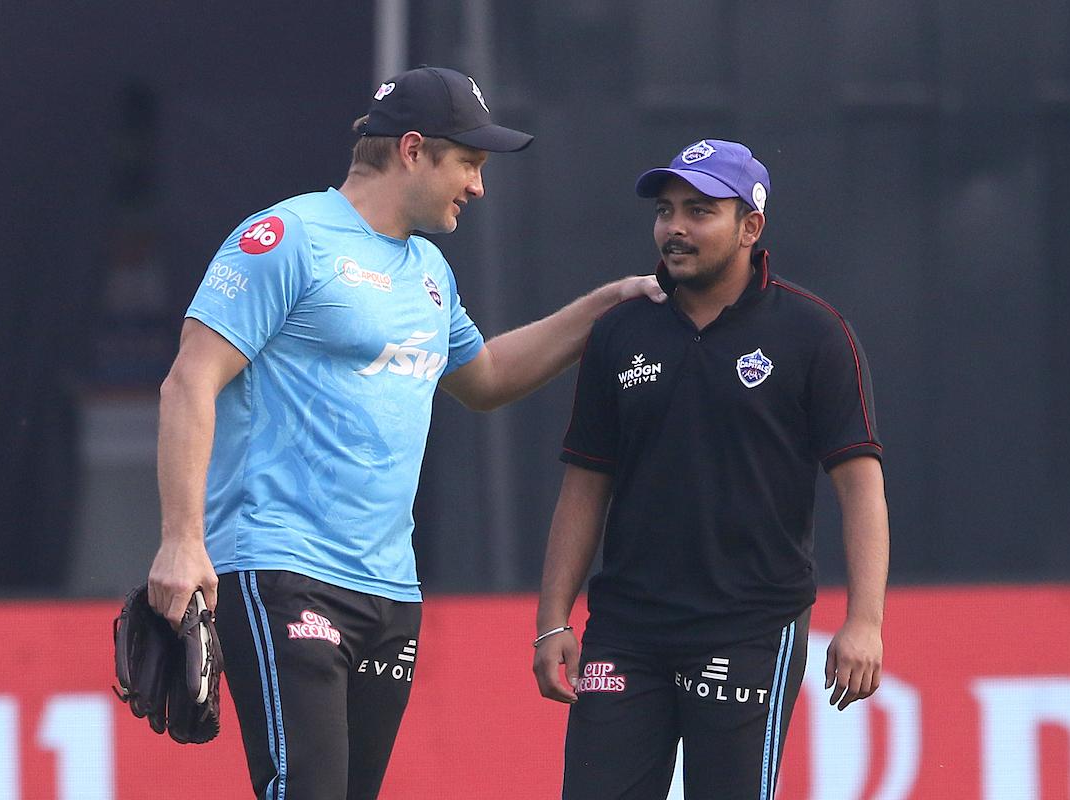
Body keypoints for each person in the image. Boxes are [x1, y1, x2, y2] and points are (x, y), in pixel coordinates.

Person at [146, 66, 665, 800]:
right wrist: (180, 539)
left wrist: (605, 305)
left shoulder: (429, 271)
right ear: (414, 149)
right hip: (281, 568)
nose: (479, 187)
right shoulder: (286, 238)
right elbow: (189, 380)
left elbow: (484, 379)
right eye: (470, 163)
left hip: (390, 591)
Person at [532, 139, 890, 799]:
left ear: (750, 226)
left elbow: (860, 486)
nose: (675, 228)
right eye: (666, 211)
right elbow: (585, 482)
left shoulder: (813, 333)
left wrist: (864, 621)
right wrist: (554, 618)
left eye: (699, 211)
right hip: (626, 630)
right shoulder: (621, 331)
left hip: (750, 624)